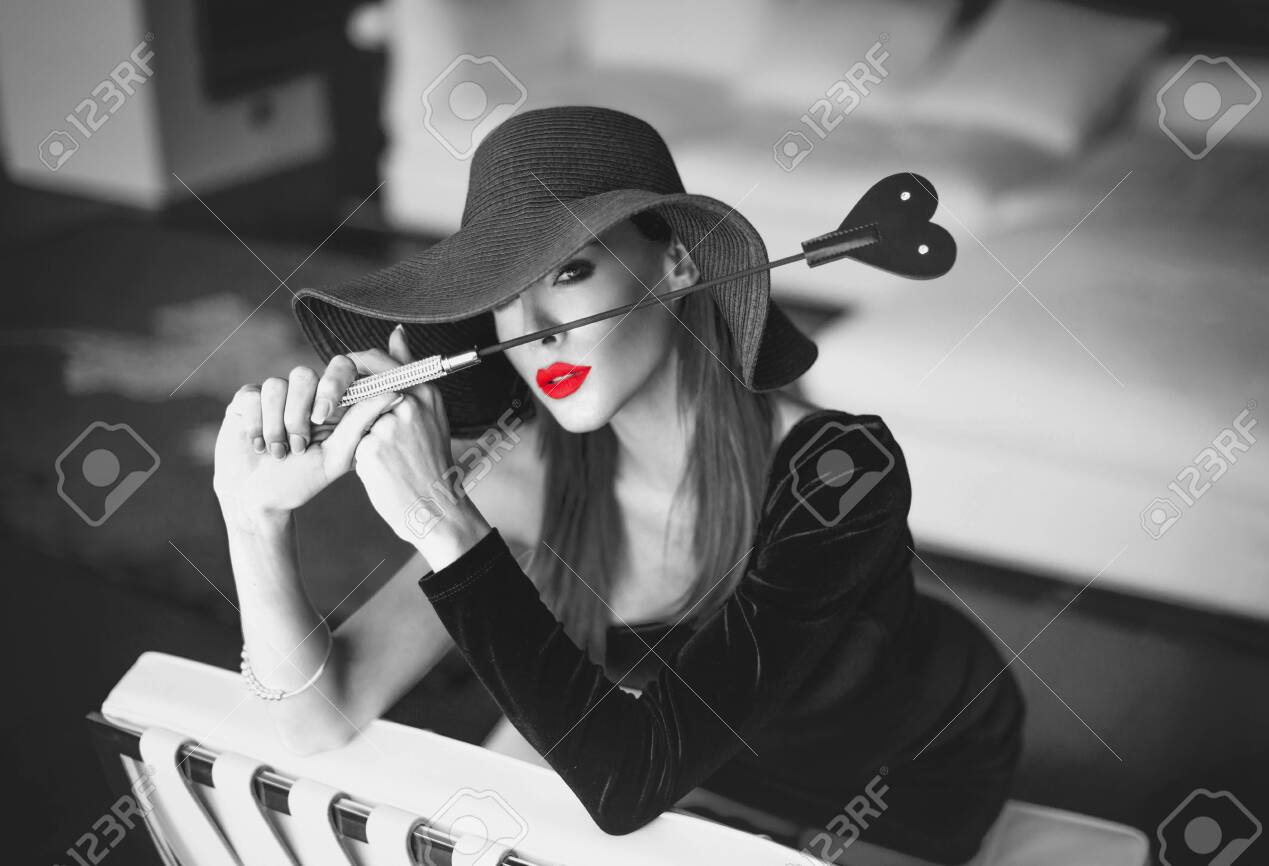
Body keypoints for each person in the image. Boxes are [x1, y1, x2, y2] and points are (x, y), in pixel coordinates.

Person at [212, 106, 1024, 865]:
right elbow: (322, 717)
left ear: (674, 262)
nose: (537, 332)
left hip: (898, 783)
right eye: (503, 298)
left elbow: (627, 786)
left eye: (569, 272)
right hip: (691, 757)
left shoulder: (843, 473)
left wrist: (441, 519)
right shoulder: (521, 471)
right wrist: (250, 519)